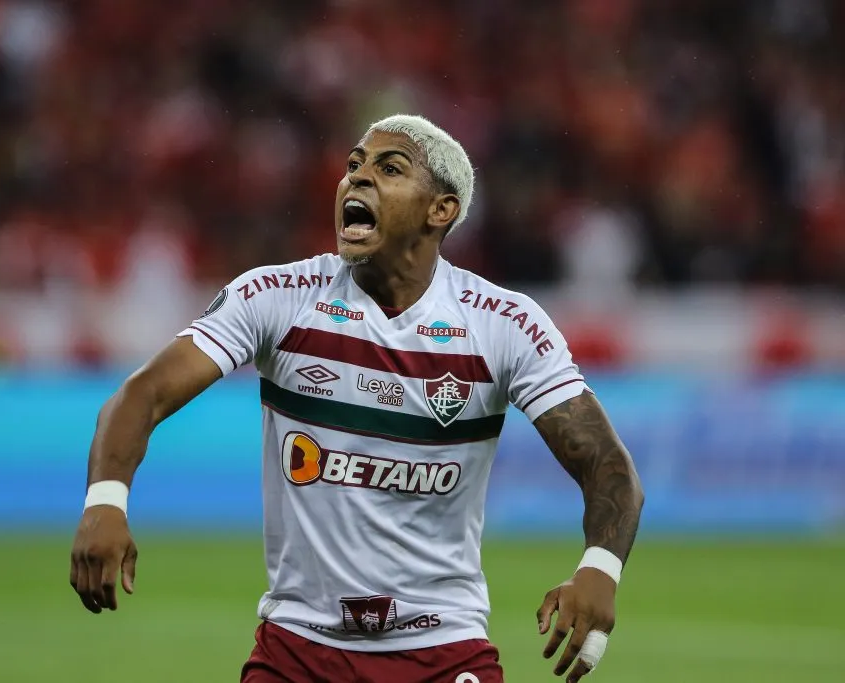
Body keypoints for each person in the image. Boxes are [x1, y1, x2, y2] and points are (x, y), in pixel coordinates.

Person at [69, 114, 645, 683]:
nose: (356, 180)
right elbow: (140, 396)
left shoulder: (503, 324)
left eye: (388, 168)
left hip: (443, 650)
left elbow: (606, 465)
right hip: (298, 650)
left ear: (439, 210)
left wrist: (600, 569)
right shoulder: (278, 297)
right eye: (353, 167)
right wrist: (105, 501)